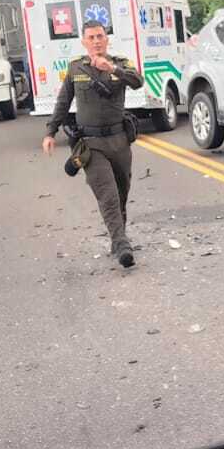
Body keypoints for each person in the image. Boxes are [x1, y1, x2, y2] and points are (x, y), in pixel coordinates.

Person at [42, 21, 144, 267]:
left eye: (100, 36)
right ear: (84, 42)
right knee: (107, 195)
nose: (96, 41)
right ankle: (122, 245)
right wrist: (50, 131)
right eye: (91, 37)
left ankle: (117, 236)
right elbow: (63, 101)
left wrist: (112, 69)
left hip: (119, 141)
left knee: (121, 193)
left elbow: (138, 81)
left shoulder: (121, 63)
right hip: (91, 144)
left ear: (106, 39)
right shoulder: (76, 67)